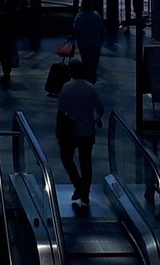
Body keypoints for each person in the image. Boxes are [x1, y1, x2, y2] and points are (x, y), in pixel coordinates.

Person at [55, 58, 102, 209]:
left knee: (66, 157)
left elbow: (61, 111)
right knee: (86, 161)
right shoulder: (90, 88)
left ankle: (78, 185)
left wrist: (59, 131)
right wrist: (97, 118)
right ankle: (85, 191)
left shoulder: (67, 87)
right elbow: (99, 108)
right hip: (88, 130)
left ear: (71, 71)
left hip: (71, 130)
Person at [70, 0, 106, 82]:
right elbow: (102, 29)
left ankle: (87, 80)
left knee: (86, 63)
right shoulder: (96, 15)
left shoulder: (79, 16)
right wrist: (101, 41)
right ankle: (92, 81)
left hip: (83, 44)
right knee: (94, 65)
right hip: (95, 44)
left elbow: (75, 30)